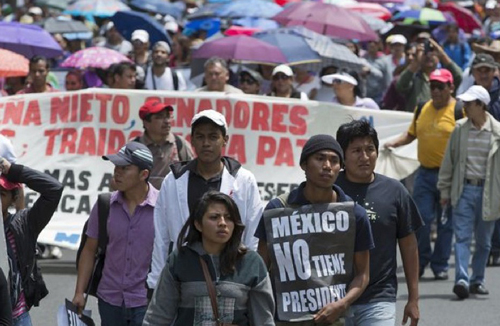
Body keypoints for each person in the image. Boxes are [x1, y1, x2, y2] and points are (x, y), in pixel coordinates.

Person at [255, 134, 374, 325]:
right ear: (304, 164)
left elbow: (363, 274)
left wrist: (342, 304)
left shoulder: (355, 214)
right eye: (320, 159)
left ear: (340, 168)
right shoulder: (277, 209)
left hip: (333, 319)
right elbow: (260, 266)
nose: (327, 166)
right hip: (284, 319)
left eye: (334, 161)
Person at [147, 109, 263, 290]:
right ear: (192, 140)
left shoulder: (244, 180)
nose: (206, 143)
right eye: (200, 137)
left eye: (213, 137)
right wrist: (156, 282)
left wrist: (246, 277)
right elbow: (161, 235)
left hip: (229, 272)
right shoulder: (174, 180)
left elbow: (252, 232)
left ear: (225, 140)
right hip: (184, 273)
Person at [336, 120, 422, 326]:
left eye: (370, 149)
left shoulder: (396, 192)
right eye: (356, 150)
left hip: (379, 298)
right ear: (343, 155)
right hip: (333, 299)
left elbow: (409, 248)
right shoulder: (327, 190)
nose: (364, 157)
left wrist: (413, 299)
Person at [143, 191, 275, 326]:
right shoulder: (180, 260)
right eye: (214, 217)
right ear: (198, 224)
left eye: (229, 218)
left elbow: (263, 320)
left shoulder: (251, 263)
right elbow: (158, 317)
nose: (222, 223)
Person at [385, 68, 460, 280]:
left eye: (440, 87)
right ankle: (421, 260)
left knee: (446, 224)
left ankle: (440, 265)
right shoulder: (422, 108)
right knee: (421, 220)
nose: (435, 91)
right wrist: (392, 143)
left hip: (450, 177)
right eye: (432, 86)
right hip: (425, 175)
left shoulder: (459, 110)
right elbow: (410, 135)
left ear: (450, 87)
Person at [72, 142, 157, 326]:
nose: (117, 172)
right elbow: (89, 250)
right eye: (116, 167)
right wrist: (79, 292)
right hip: (109, 300)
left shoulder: (162, 207)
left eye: (125, 168)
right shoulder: (104, 205)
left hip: (147, 301)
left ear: (144, 174)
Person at [437, 85, 500, 299]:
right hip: (463, 190)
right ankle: (462, 279)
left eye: (469, 103)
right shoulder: (459, 129)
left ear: (481, 106)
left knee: (484, 242)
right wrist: (444, 191)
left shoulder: (498, 132)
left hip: (489, 193)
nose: (464, 106)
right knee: (462, 238)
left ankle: (477, 280)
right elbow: (449, 162)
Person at [2, 157, 63, 326]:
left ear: (14, 198)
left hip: (18, 315)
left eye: (1, 194)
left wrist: (14, 171)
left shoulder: (24, 224)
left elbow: (54, 189)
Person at [135, 99, 194, 190]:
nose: (167, 121)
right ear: (146, 123)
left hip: (172, 202)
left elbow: (192, 175)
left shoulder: (180, 144)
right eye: (160, 117)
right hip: (142, 202)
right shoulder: (134, 147)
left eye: (168, 116)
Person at [396, 37, 462, 112]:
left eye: (432, 52)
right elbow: (400, 86)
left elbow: (458, 77)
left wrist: (442, 54)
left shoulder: (444, 77)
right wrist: (416, 62)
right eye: (424, 53)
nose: (428, 56)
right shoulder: (413, 77)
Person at [468, 53, 500, 121]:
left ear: (494, 71)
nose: (483, 75)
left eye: (487, 70)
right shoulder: (468, 98)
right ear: (473, 73)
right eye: (479, 70)